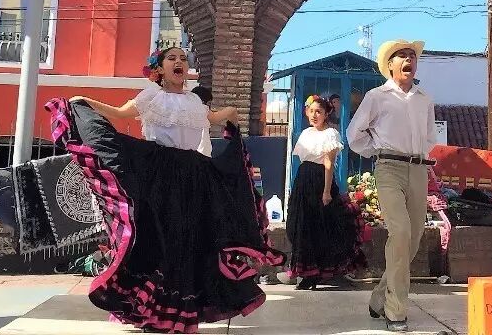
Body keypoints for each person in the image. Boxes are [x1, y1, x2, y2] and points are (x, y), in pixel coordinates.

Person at [54, 40, 283, 333]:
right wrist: (83, 101)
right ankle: (152, 310)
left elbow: (214, 117)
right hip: (160, 174)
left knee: (191, 239)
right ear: (160, 69)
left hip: (195, 175)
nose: (180, 62)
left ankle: (179, 312)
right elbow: (119, 113)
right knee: (163, 238)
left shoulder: (195, 102)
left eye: (183, 59)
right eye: (172, 58)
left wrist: (231, 116)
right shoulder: (151, 97)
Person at [347, 40, 436, 333]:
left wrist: (419, 156)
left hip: (419, 169)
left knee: (413, 239)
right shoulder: (376, 97)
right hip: (388, 168)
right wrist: (377, 149)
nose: (409, 60)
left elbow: (430, 137)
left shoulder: (424, 99)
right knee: (400, 232)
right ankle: (396, 310)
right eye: (402, 56)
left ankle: (378, 297)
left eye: (412, 56)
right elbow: (354, 134)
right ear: (390, 65)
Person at [286, 95, 366, 290]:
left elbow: (329, 164)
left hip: (319, 180)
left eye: (319, 112)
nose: (314, 115)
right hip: (303, 180)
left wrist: (326, 191)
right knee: (299, 224)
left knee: (319, 226)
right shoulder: (306, 133)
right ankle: (304, 271)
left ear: (326, 114)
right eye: (312, 111)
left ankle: (317, 274)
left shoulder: (330, 134)